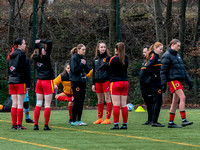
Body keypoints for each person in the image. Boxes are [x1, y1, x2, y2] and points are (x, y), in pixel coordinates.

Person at [160, 39, 193, 128]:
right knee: (183, 97)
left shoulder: (177, 55)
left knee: (175, 101)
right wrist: (163, 83)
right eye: (178, 46)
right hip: (173, 80)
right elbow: (163, 71)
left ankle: (171, 122)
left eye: (179, 46)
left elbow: (182, 69)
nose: (179, 47)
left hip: (178, 80)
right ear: (172, 45)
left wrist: (189, 80)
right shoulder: (167, 55)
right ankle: (184, 120)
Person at [7, 38, 30, 129]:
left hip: (11, 81)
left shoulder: (11, 54)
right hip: (20, 81)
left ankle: (14, 125)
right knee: (20, 104)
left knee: (14, 103)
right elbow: (24, 70)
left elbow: (9, 69)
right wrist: (27, 84)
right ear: (19, 45)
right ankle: (19, 124)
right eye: (24, 43)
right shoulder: (21, 54)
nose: (25, 45)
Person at [32, 39, 54, 130]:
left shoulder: (35, 57)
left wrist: (38, 45)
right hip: (47, 81)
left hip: (39, 81)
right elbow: (49, 42)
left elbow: (36, 48)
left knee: (38, 103)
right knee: (47, 104)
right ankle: (46, 125)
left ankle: (36, 125)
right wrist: (41, 42)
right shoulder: (46, 55)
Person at [69, 44, 90, 126]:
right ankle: (73, 120)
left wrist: (85, 65)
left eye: (85, 49)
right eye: (83, 49)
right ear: (78, 50)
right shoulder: (74, 58)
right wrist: (81, 64)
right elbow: (74, 70)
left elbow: (87, 70)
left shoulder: (83, 58)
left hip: (82, 81)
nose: (84, 51)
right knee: (76, 100)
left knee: (81, 101)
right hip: (76, 82)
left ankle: (79, 120)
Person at [109, 42, 129, 130]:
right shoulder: (126, 58)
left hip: (115, 83)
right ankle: (124, 124)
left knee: (116, 104)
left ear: (116, 49)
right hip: (125, 82)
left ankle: (116, 124)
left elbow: (109, 69)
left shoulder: (113, 59)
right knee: (124, 104)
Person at [145, 42, 165, 127]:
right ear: (155, 48)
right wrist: (153, 75)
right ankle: (154, 121)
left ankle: (154, 120)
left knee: (157, 101)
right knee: (158, 100)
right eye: (160, 49)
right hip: (155, 82)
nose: (161, 51)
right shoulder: (153, 56)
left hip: (157, 81)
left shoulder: (156, 57)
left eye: (162, 49)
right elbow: (148, 66)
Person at [92, 41, 112, 125]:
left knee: (107, 99)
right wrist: (93, 83)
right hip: (97, 81)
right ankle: (100, 118)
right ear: (98, 48)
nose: (103, 48)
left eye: (104, 47)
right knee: (100, 100)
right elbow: (94, 71)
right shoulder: (95, 59)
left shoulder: (108, 58)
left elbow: (111, 70)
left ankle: (108, 119)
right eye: (101, 47)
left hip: (106, 81)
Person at [139, 45, 153, 125]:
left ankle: (152, 119)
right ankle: (149, 119)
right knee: (147, 103)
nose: (143, 53)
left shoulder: (151, 61)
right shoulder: (144, 62)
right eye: (143, 52)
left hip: (149, 86)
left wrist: (148, 82)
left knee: (151, 102)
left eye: (145, 52)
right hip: (143, 86)